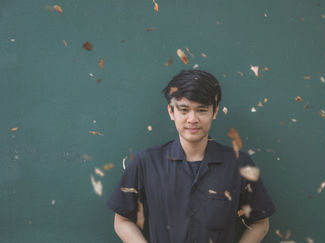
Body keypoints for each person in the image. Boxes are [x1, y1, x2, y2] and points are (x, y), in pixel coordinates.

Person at [107, 69, 276, 243]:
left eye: (202, 110)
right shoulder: (147, 162)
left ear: (215, 111)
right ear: (171, 112)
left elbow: (260, 222)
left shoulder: (239, 164)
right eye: (184, 110)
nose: (192, 119)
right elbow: (122, 220)